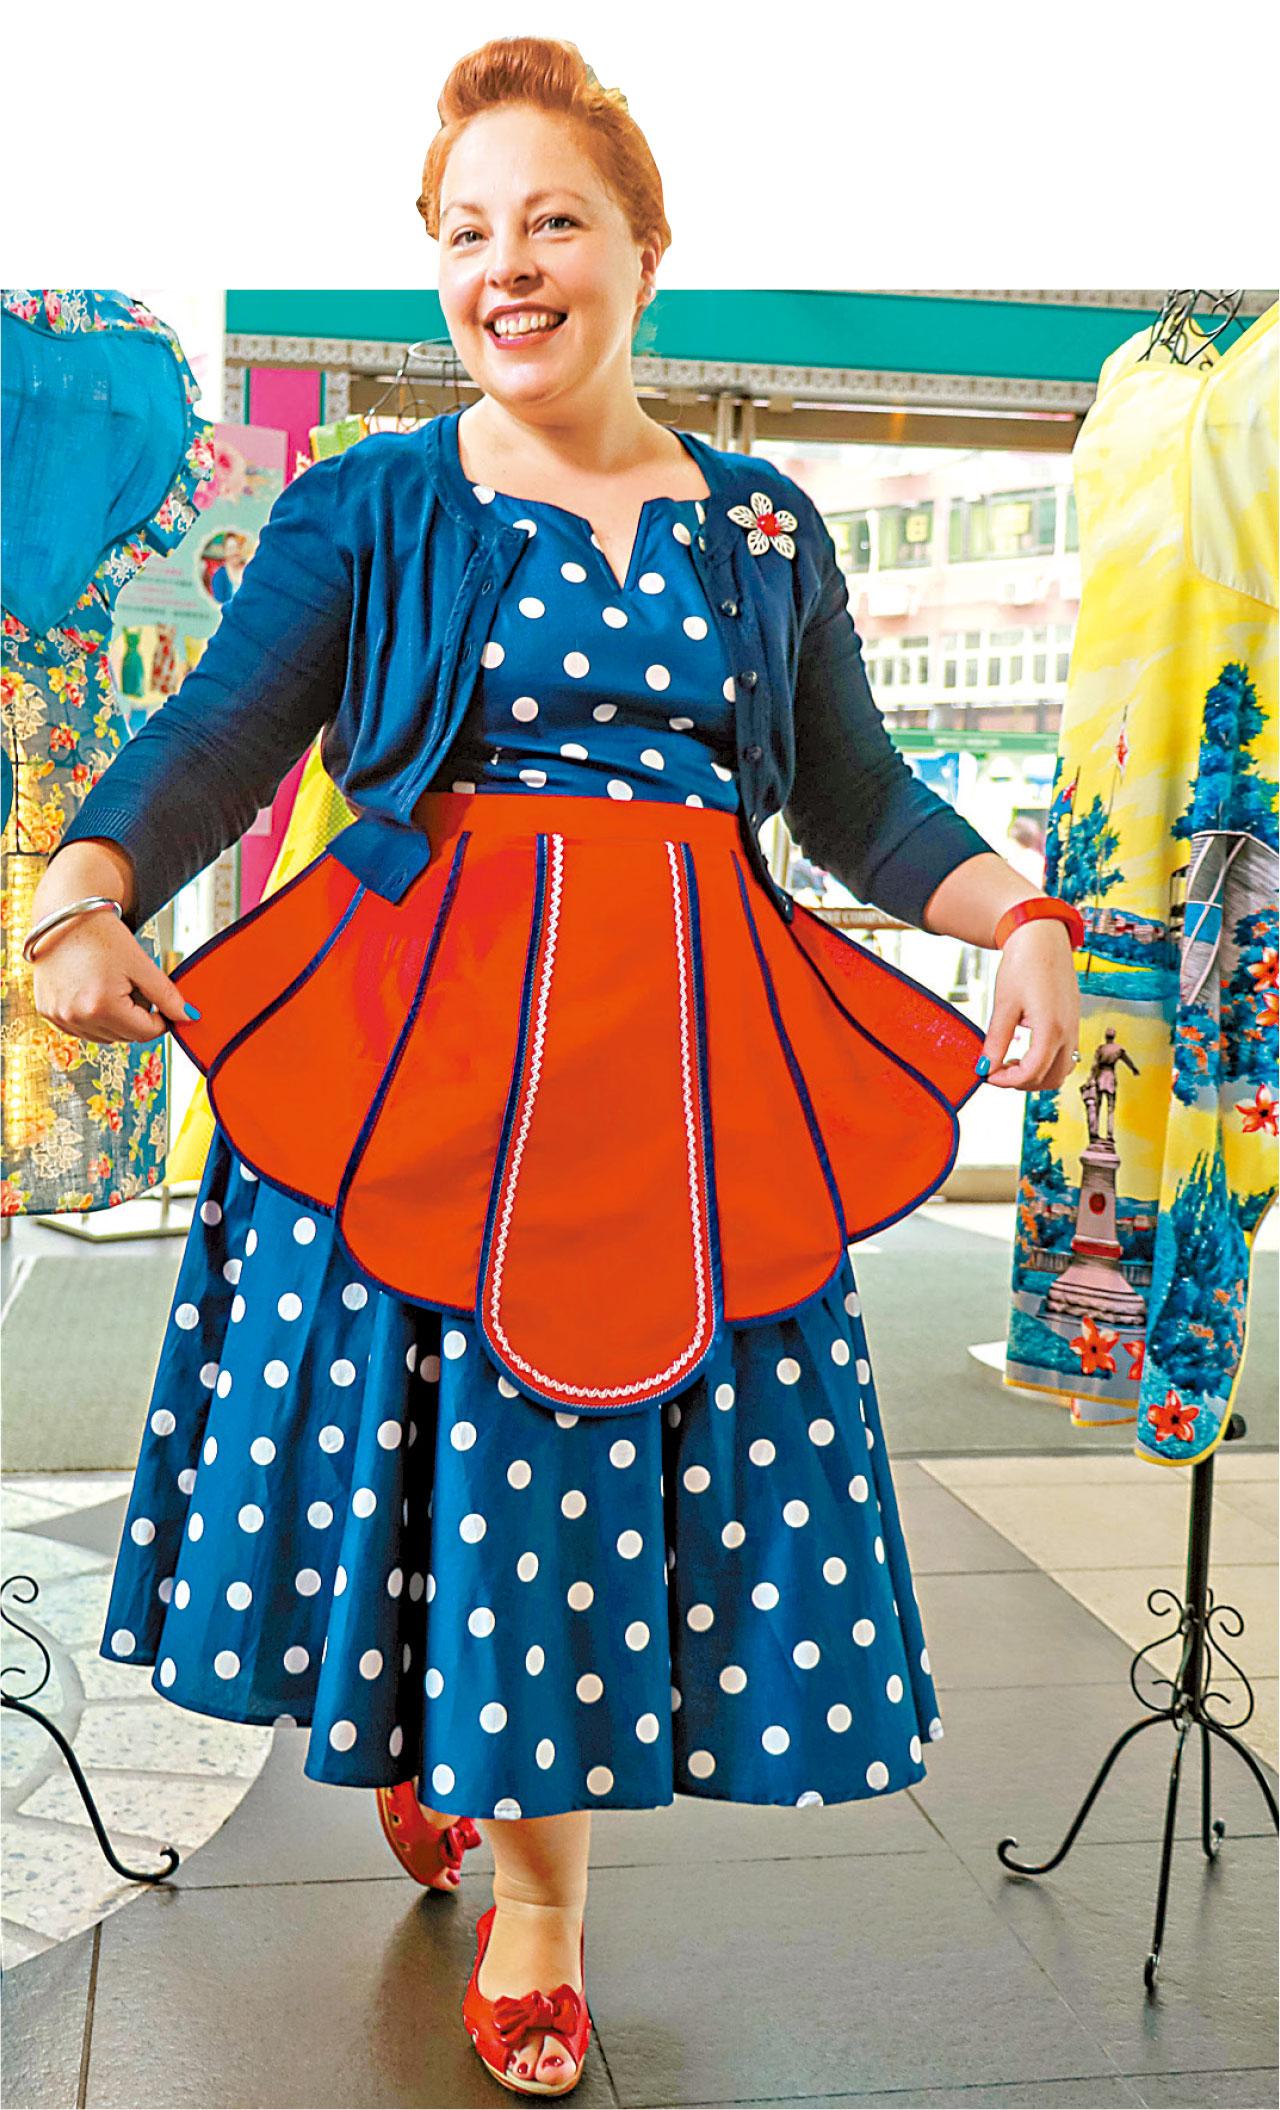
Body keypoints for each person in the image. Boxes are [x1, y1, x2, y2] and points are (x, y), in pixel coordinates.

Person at [25, 38, 1082, 2099]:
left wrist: (1018, 912)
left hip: (666, 1068)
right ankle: (479, 1790)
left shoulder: (761, 525)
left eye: (553, 221)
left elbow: (858, 795)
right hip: (425, 1050)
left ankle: (535, 1892)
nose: (506, 265)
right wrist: (83, 888)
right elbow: (221, 734)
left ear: (644, 248)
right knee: (460, 1451)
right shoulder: (373, 500)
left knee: (581, 1463)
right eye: (466, 233)